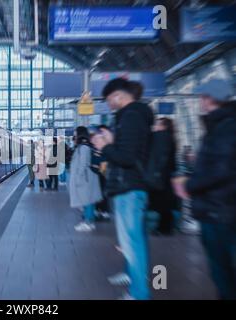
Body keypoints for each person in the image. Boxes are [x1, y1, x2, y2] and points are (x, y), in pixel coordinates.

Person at [172, 79, 236, 300]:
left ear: (211, 99)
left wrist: (188, 185)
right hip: (223, 208)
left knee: (222, 271)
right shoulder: (222, 125)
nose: (199, 101)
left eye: (202, 97)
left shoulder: (224, 127)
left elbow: (220, 169)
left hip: (220, 211)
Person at [92, 78, 154, 300]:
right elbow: (130, 151)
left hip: (129, 188)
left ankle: (139, 293)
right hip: (132, 187)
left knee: (132, 242)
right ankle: (130, 276)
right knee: (135, 240)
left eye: (109, 100)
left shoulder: (131, 117)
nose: (109, 104)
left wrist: (105, 146)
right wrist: (112, 142)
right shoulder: (134, 116)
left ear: (118, 96)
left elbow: (126, 158)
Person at [149, 118, 178, 235]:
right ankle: (165, 227)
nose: (155, 126)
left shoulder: (161, 137)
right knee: (165, 204)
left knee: (163, 204)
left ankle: (164, 228)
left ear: (163, 126)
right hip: (166, 175)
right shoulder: (170, 137)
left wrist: (157, 172)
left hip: (161, 176)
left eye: (157, 124)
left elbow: (161, 157)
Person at [70, 126, 102, 232]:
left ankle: (87, 222)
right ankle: (89, 222)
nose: (74, 136)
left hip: (85, 179)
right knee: (89, 200)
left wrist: (78, 178)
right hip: (87, 178)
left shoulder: (83, 148)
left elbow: (83, 164)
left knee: (87, 201)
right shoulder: (85, 146)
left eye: (75, 134)